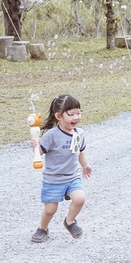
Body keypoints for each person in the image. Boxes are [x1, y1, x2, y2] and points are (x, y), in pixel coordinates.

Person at [30, 94, 92, 243]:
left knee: (80, 198)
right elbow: (40, 153)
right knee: (50, 209)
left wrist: (85, 165)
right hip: (53, 179)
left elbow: (80, 152)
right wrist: (35, 146)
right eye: (71, 114)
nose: (76, 117)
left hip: (72, 177)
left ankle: (70, 221)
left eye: (78, 112)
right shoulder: (52, 135)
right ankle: (43, 229)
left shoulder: (80, 133)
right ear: (58, 116)